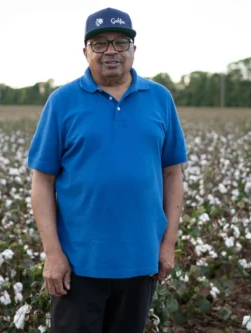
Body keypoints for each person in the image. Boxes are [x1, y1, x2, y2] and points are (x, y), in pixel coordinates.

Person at [26, 7, 187, 333]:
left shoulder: (160, 98)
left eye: (120, 42)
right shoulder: (62, 101)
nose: (111, 50)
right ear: (85, 51)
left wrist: (167, 245)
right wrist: (53, 255)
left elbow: (173, 174)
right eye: (99, 43)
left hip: (140, 260)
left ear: (133, 50)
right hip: (79, 264)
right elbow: (42, 181)